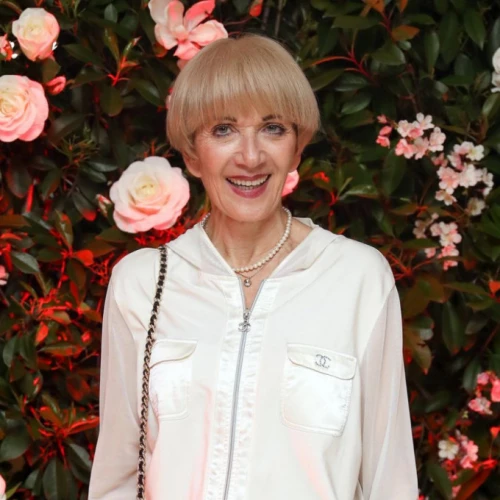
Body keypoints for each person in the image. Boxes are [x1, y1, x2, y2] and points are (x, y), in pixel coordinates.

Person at [88, 34, 418, 499]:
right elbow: (118, 480)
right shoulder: (141, 283)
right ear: (192, 154)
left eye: (273, 128)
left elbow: (390, 482)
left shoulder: (358, 278)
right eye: (224, 129)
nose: (250, 156)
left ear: (297, 149)